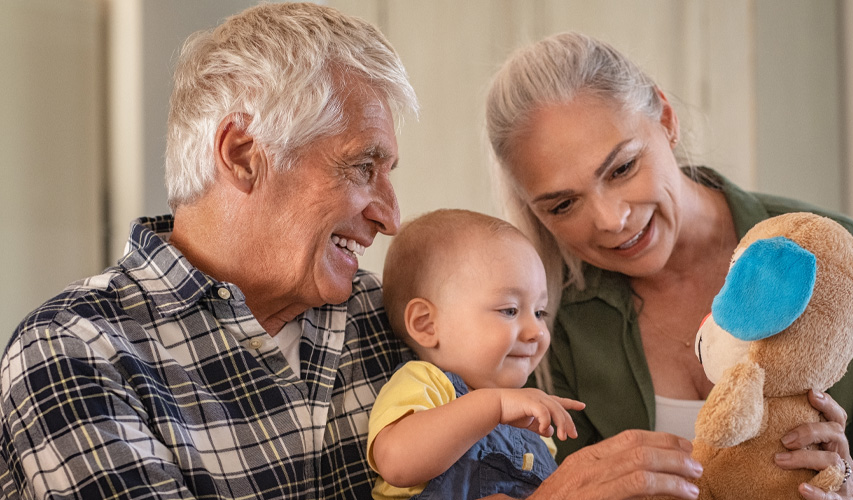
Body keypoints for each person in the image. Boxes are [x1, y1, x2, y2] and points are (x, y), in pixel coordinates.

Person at [0, 5, 702, 500]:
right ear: (244, 155)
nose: (391, 216)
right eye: (363, 166)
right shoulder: (76, 351)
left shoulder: (395, 315)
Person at [484, 31, 853, 500]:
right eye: (563, 205)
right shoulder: (539, 327)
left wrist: (847, 490)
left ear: (666, 118)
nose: (611, 220)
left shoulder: (848, 265)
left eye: (622, 168)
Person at [369, 209, 584, 499]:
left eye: (539, 312)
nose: (537, 332)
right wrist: (493, 406)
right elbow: (396, 461)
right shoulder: (425, 383)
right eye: (509, 310)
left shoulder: (530, 421)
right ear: (426, 324)